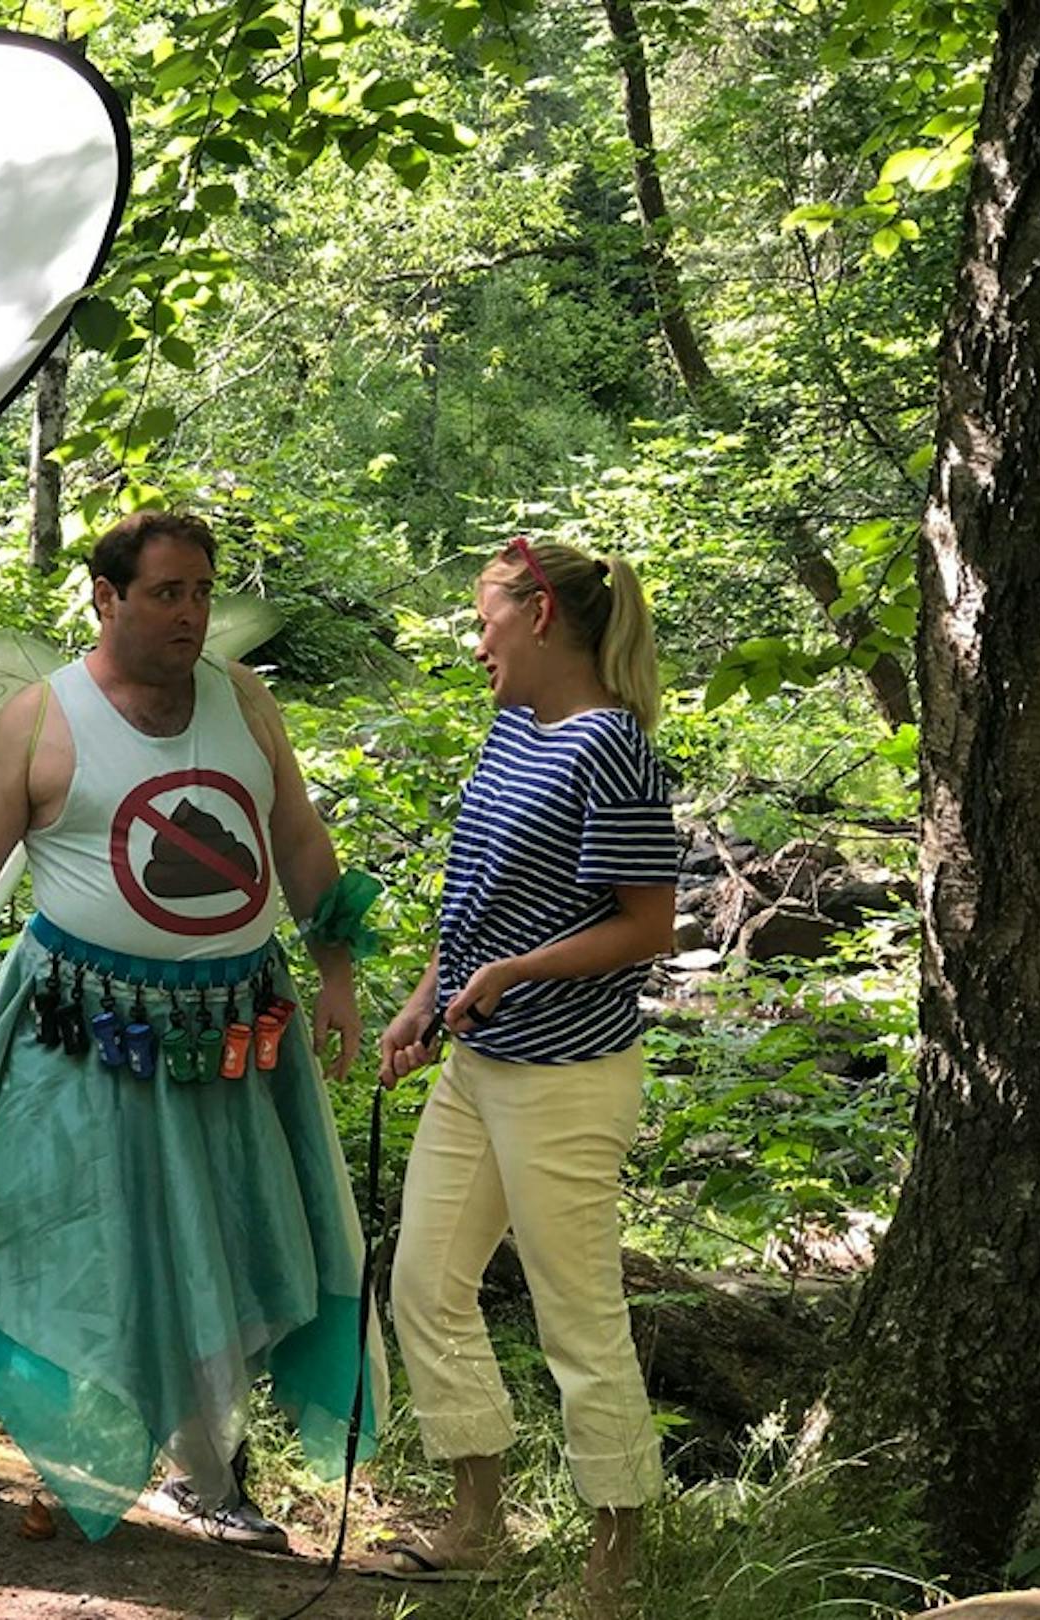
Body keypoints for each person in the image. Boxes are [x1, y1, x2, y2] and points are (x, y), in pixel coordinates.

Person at [0, 510, 384, 1550]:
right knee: (7, 1228)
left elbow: (297, 840)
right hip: (76, 1026)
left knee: (226, 1233)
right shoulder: (39, 718)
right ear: (105, 598)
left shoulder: (243, 701)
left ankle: (210, 1472)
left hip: (231, 1029)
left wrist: (336, 976)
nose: (191, 614)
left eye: (201, 592)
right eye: (166, 593)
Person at [365, 536, 675, 1606]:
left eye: (484, 615)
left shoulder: (613, 750)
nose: (475, 636)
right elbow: (478, 894)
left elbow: (649, 927)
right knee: (425, 1287)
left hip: (570, 1077)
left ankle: (618, 1563)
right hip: (479, 1063)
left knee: (577, 1314)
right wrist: (423, 1002)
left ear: (539, 617)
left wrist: (515, 971)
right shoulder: (512, 731)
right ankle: (480, 1522)